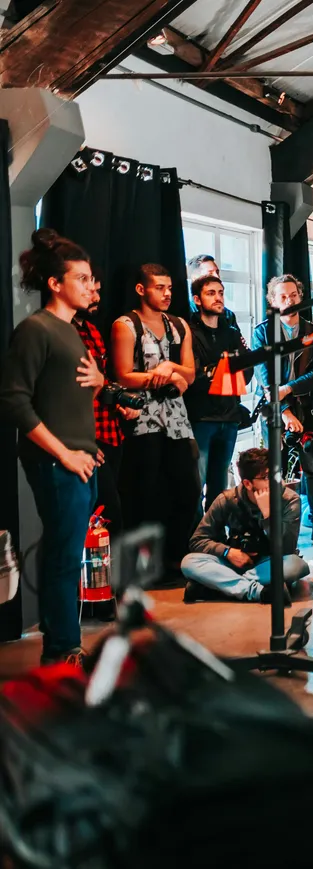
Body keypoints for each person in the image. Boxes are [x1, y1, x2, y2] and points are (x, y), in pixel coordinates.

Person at [0, 230, 102, 667]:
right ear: (55, 283)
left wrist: (99, 386)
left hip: (81, 459)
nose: (89, 285)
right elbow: (13, 401)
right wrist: (65, 453)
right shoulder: (35, 329)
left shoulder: (72, 331)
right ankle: (61, 653)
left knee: (70, 556)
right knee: (62, 559)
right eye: (80, 278)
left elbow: (64, 398)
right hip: (57, 463)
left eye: (91, 278)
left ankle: (66, 646)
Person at [110, 264, 201, 575]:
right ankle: (142, 567)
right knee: (143, 494)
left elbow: (191, 371)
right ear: (141, 289)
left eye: (170, 288)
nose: (166, 294)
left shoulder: (179, 325)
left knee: (188, 489)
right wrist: (159, 376)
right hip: (142, 418)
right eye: (159, 288)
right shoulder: (125, 325)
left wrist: (172, 370)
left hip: (177, 418)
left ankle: (177, 557)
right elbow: (122, 374)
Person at [251, 274, 313, 544]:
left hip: (308, 408)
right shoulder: (262, 332)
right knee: (273, 470)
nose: (289, 301)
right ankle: (273, 529)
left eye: (293, 295)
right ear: (273, 302)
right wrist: (284, 411)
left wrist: (288, 388)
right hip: (274, 411)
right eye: (282, 297)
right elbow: (264, 377)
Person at [180, 447, 309, 603]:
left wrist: (268, 515)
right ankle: (259, 592)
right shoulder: (227, 499)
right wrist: (228, 552)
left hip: (268, 562)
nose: (277, 481)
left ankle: (218, 586)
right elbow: (197, 540)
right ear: (247, 483)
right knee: (189, 562)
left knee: (296, 565)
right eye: (267, 477)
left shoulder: (289, 499)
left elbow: (287, 548)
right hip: (234, 561)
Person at [73, 274, 136, 532]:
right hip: (85, 436)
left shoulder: (93, 330)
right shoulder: (63, 333)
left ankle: (110, 571)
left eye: (98, 291)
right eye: (91, 291)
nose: (96, 298)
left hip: (111, 430)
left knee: (111, 510)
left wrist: (121, 401)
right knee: (105, 512)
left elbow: (103, 378)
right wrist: (81, 440)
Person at [187, 273, 247, 511]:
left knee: (219, 485)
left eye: (221, 293)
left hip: (230, 417)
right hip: (201, 417)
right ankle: (197, 537)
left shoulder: (231, 331)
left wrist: (217, 372)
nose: (218, 298)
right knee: (196, 483)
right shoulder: (188, 331)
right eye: (211, 293)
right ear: (197, 299)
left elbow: (246, 368)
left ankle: (215, 535)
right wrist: (221, 371)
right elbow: (194, 376)